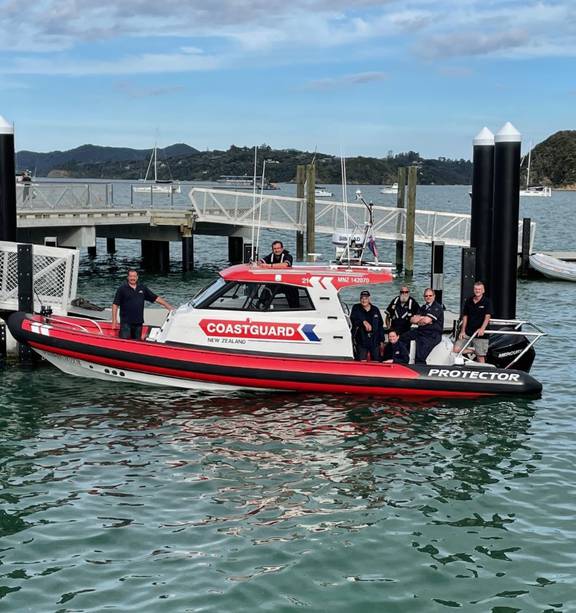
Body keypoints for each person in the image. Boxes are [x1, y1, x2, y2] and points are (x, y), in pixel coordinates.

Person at [112, 270, 173, 340]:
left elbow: (155, 297)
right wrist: (114, 321)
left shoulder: (142, 288)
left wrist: (168, 306)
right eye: (131, 276)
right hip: (126, 322)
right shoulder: (122, 289)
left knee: (137, 342)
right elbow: (115, 305)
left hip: (138, 322)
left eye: (134, 276)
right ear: (128, 277)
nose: (132, 278)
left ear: (137, 277)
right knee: (124, 341)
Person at [453, 281, 493, 363]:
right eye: (476, 289)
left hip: (480, 334)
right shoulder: (469, 301)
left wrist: (482, 329)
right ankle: (473, 351)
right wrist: (462, 331)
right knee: (455, 349)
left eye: (479, 289)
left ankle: (483, 371)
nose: (477, 291)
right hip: (468, 332)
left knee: (480, 356)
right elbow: (465, 316)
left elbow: (488, 316)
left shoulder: (487, 302)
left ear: (483, 291)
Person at [401, 288, 444, 364]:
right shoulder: (423, 307)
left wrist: (421, 319)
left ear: (434, 296)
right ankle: (404, 359)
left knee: (420, 354)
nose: (428, 297)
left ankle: (420, 366)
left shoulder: (437, 307)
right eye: (426, 296)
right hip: (421, 331)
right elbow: (412, 320)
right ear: (424, 297)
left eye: (430, 295)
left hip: (432, 334)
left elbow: (426, 320)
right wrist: (423, 319)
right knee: (403, 337)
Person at [350, 290, 385, 361]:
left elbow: (380, 325)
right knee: (361, 361)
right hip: (361, 340)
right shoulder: (356, 308)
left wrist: (382, 340)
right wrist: (363, 322)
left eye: (366, 298)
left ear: (369, 299)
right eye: (362, 298)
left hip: (374, 340)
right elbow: (352, 320)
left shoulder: (375, 309)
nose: (364, 300)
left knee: (376, 361)